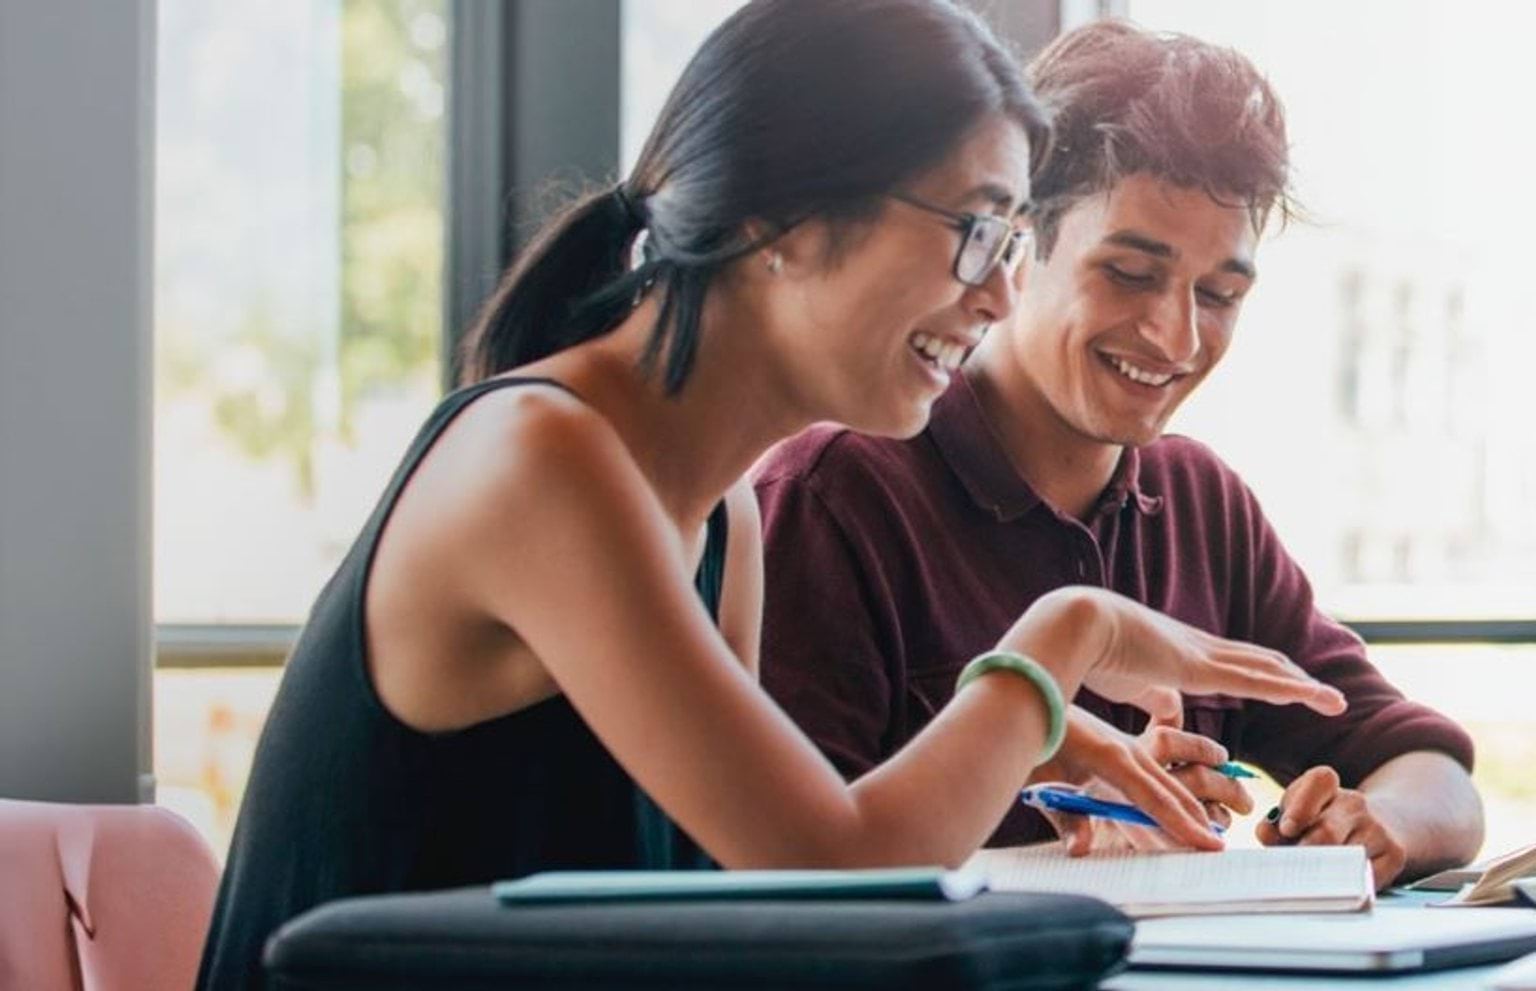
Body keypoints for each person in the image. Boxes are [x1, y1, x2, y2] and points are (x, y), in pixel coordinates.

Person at [195, 3, 1348, 987]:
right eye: (976, 233)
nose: (1001, 295)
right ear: (780, 224)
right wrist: (1067, 637)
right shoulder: (544, 459)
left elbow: (758, 903)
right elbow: (837, 873)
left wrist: (1036, 751)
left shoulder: (718, 517)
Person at [755, 19, 1482, 891]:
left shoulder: (1200, 503)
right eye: (1131, 274)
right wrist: (1045, 789)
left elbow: (1429, 768)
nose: (1177, 336)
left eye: (1219, 294)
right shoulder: (836, 495)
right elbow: (792, 873)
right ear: (1017, 246)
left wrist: (1381, 823)